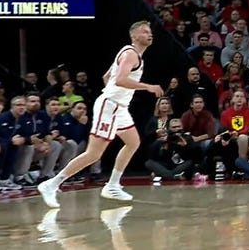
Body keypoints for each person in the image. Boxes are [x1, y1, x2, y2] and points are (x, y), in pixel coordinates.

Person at [37, 21, 164, 208]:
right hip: (110, 106)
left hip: (118, 106)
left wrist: (114, 95)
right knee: (94, 154)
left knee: (133, 142)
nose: (149, 34)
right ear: (134, 36)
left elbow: (107, 77)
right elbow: (120, 79)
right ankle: (51, 184)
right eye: (145, 32)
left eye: (150, 32)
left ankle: (112, 185)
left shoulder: (129, 53)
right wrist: (148, 87)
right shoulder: (130, 54)